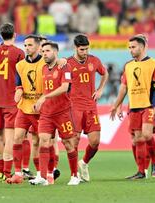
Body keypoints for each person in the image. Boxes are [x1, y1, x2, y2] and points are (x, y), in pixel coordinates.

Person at [110, 34, 155, 179]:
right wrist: (117, 105)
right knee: (137, 138)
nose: (130, 50)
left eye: (133, 47)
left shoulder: (154, 64)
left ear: (143, 47)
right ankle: (141, 171)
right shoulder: (128, 66)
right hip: (133, 107)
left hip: (149, 105)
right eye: (129, 47)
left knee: (146, 134)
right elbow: (123, 88)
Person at [31, 41, 79, 186]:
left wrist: (45, 97)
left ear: (55, 52)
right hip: (47, 113)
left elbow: (65, 87)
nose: (44, 54)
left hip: (63, 112)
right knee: (43, 141)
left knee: (68, 144)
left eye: (47, 51)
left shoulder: (65, 66)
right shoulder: (44, 68)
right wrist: (40, 100)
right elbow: (45, 90)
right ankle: (43, 176)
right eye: (43, 51)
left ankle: (74, 175)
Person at [0, 22, 25, 181]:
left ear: (1, 35)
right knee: (10, 138)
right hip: (12, 102)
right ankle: (8, 173)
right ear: (14, 35)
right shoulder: (19, 53)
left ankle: (0, 171)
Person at [67, 34, 108, 182]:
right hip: (74, 106)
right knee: (75, 140)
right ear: (76, 48)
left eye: (86, 49)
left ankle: (83, 163)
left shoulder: (94, 60)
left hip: (91, 106)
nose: (85, 52)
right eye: (82, 49)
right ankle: (74, 174)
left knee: (95, 141)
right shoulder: (67, 63)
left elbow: (105, 73)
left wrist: (100, 89)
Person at [5, 35, 44, 184]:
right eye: (25, 45)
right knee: (17, 138)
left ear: (38, 47)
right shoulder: (20, 65)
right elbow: (19, 83)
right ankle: (18, 174)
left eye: (30, 45)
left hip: (40, 110)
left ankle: (43, 173)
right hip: (24, 107)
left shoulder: (45, 63)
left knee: (39, 141)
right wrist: (18, 91)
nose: (27, 48)